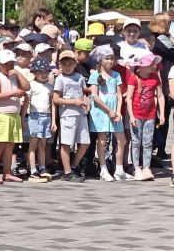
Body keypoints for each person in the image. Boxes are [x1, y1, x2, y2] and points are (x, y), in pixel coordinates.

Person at [87, 45, 131, 182]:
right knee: (102, 139)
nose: (110, 61)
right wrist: (108, 110)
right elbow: (94, 96)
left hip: (114, 110)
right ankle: (103, 168)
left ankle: (119, 169)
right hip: (101, 110)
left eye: (112, 59)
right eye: (107, 59)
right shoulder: (95, 75)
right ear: (101, 60)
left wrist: (118, 111)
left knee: (121, 139)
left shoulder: (116, 75)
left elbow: (118, 95)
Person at [0, 50, 30, 184]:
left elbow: (27, 86)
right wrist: (13, 93)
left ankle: (7, 172)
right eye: (6, 64)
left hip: (14, 115)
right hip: (2, 114)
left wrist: (18, 73)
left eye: (12, 64)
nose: (9, 66)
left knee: (10, 146)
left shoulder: (13, 76)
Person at [53, 50, 90, 183]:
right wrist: (73, 102)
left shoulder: (80, 77)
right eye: (64, 64)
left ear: (75, 64)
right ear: (60, 65)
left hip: (81, 113)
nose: (67, 66)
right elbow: (56, 99)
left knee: (85, 142)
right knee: (66, 144)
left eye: (70, 63)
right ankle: (68, 172)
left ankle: (73, 166)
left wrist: (86, 101)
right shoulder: (60, 79)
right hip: (67, 114)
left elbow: (84, 92)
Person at [127, 53, 164, 181]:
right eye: (152, 63)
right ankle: (136, 168)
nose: (155, 65)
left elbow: (160, 96)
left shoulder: (155, 78)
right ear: (143, 66)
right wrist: (131, 116)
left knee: (148, 142)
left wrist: (162, 113)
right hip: (137, 115)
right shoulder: (133, 78)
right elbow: (129, 98)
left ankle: (146, 167)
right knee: (136, 141)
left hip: (150, 115)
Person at [149, 12, 174, 159]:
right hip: (161, 79)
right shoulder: (156, 40)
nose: (171, 24)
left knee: (165, 114)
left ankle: (161, 148)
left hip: (167, 79)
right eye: (169, 22)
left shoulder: (165, 39)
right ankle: (153, 150)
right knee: (157, 116)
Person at [26, 57, 54, 182]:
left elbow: (52, 104)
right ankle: (32, 169)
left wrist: (53, 121)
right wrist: (23, 117)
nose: (43, 74)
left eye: (46, 72)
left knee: (43, 144)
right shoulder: (31, 85)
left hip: (46, 116)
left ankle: (42, 167)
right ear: (34, 72)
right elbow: (27, 102)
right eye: (40, 71)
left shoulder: (50, 87)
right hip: (34, 116)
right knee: (33, 144)